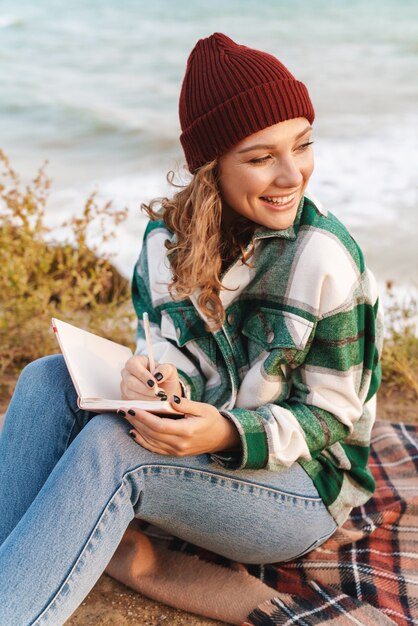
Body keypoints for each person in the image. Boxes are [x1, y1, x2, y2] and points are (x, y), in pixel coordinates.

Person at [0, 33, 383, 626]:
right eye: (260, 157)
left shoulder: (325, 257)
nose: (292, 175)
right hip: (197, 441)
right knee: (47, 378)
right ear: (212, 167)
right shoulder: (164, 243)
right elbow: (166, 348)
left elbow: (331, 416)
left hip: (302, 487)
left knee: (112, 450)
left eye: (302, 145)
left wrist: (227, 433)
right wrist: (153, 376)